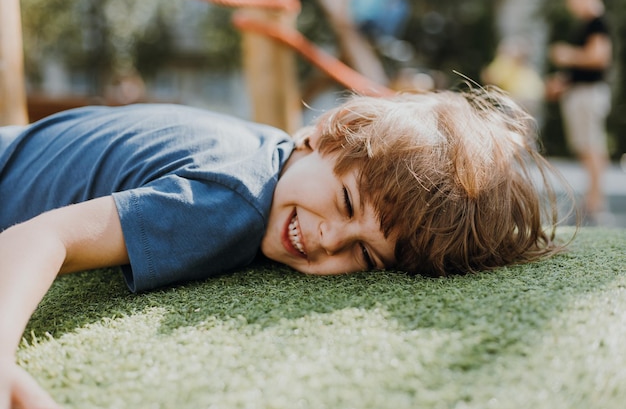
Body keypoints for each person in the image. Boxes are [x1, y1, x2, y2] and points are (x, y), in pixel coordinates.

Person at [1, 88, 569, 408]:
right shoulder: (237, 202)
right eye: (347, 204)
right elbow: (39, 236)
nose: (328, 242)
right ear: (325, 133)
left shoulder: (273, 151)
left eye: (365, 256)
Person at [547, 0, 612, 223]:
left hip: (588, 96)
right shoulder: (589, 23)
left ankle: (596, 204)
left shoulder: (597, 22)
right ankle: (592, 201)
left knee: (592, 146)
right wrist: (563, 82)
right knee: (587, 147)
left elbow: (599, 57)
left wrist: (567, 54)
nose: (570, 3)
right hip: (581, 93)